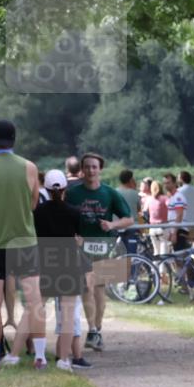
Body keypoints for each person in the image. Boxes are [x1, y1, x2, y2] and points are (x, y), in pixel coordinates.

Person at [0, 120, 47, 370]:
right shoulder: (29, 167)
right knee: (34, 299)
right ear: (14, 139)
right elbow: (34, 203)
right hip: (24, 240)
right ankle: (40, 356)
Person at [65, 153, 133, 352]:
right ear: (82, 170)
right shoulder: (72, 194)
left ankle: (97, 330)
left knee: (100, 290)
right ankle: (92, 329)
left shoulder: (110, 193)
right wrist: (72, 234)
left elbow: (128, 219)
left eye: (94, 167)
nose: (90, 171)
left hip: (105, 246)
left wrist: (112, 223)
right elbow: (65, 217)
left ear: (100, 169)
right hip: (81, 246)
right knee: (87, 286)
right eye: (87, 167)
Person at [34, 170, 86, 371]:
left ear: (46, 189)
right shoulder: (74, 212)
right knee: (67, 315)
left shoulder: (37, 212)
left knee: (37, 308)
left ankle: (38, 354)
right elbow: (79, 240)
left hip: (46, 262)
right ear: (65, 189)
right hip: (68, 264)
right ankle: (64, 359)